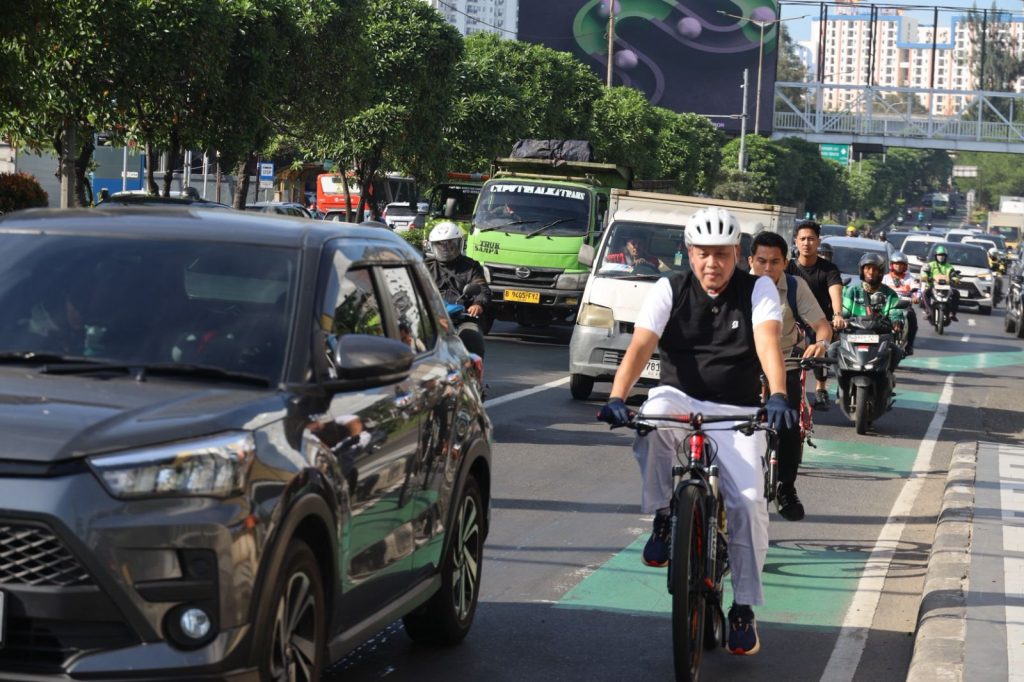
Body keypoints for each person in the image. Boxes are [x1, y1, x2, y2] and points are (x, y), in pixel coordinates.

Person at [598, 206, 795, 656]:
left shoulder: (758, 288)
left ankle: (743, 607)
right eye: (703, 253)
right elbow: (641, 344)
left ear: (737, 254)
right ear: (689, 253)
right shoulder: (669, 288)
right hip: (678, 398)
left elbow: (767, 341)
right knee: (650, 421)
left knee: (750, 505)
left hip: (737, 408)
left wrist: (778, 394)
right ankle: (664, 515)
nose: (712, 263)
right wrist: (617, 396)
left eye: (722, 254)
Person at [748, 231, 831, 522]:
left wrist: (821, 343)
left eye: (775, 262)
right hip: (745, 368)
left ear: (785, 263)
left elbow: (822, 325)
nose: (767, 268)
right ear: (750, 260)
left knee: (789, 425)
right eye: (761, 261)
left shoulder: (796, 287)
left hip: (786, 365)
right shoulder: (737, 286)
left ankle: (786, 487)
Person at [786, 221, 844, 410]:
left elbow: (835, 291)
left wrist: (837, 315)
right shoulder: (788, 268)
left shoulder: (829, 269)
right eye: (802, 239)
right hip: (791, 323)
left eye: (811, 239)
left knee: (820, 347)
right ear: (796, 241)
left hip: (819, 323)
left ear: (818, 242)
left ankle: (821, 388)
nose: (806, 243)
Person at [425, 221, 491, 356]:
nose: (445, 248)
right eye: (440, 244)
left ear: (459, 244)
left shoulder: (471, 266)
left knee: (472, 337)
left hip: (462, 317)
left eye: (450, 244)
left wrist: (478, 304)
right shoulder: (425, 266)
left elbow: (482, 288)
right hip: (430, 316)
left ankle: (472, 367)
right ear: (432, 246)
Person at [841, 253, 905, 335]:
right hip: (854, 335)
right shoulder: (852, 291)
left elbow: (895, 314)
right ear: (862, 270)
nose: (871, 272)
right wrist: (839, 320)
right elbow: (844, 313)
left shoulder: (890, 294)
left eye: (875, 269)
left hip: (881, 336)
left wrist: (896, 322)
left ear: (880, 272)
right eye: (867, 268)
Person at [882, 251, 919, 355]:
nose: (898, 266)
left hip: (905, 306)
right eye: (896, 264)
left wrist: (916, 297)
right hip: (889, 305)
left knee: (912, 319)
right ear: (891, 265)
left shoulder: (910, 278)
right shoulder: (885, 278)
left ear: (905, 266)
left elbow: (917, 289)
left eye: (901, 264)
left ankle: (909, 345)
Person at [920, 245, 960, 322]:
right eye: (939, 255)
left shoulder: (949, 267)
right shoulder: (930, 265)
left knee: (956, 293)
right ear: (936, 256)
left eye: (943, 255)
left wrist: (956, 279)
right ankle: (929, 312)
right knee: (925, 293)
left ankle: (952, 313)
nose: (941, 257)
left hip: (946, 287)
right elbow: (924, 272)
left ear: (946, 257)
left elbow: (953, 275)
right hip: (933, 286)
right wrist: (926, 277)